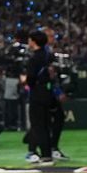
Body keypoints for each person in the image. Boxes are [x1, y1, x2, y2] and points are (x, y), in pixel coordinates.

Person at [22, 29, 59, 164]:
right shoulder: (48, 55)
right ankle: (48, 153)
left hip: (37, 94)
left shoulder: (34, 58)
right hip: (48, 92)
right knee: (46, 124)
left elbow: (30, 79)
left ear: (34, 41)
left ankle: (45, 155)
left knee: (38, 125)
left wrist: (25, 81)